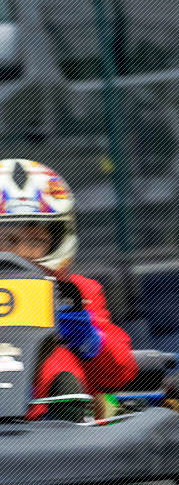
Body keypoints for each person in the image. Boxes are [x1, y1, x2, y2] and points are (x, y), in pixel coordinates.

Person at [0, 160, 136, 413]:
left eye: (35, 242)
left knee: (58, 360)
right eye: (8, 240)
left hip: (55, 421)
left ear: (57, 241)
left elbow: (121, 373)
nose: (21, 253)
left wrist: (89, 342)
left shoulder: (77, 293)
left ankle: (67, 409)